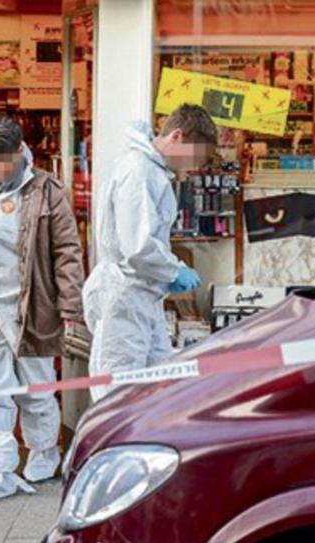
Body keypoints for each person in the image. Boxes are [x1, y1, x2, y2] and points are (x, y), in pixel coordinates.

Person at [0, 116, 84, 503]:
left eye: (7, 159)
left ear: (21, 151)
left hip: (34, 304)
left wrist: (70, 303)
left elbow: (67, 251)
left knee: (35, 388)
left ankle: (45, 453)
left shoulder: (46, 190)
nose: (1, 168)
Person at [83, 104, 219, 402]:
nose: (194, 166)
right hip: (126, 297)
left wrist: (171, 266)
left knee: (151, 390)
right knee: (118, 393)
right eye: (196, 156)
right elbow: (137, 246)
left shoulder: (151, 171)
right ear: (178, 137)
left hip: (141, 297)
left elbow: (147, 239)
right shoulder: (139, 171)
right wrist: (173, 271)